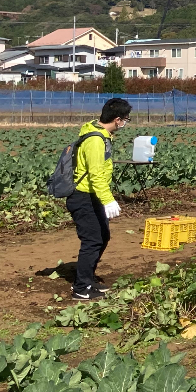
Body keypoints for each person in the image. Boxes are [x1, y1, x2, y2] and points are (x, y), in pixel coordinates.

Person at [69, 97, 131, 301]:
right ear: (117, 119)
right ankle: (80, 288)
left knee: (102, 237)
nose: (124, 124)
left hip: (93, 195)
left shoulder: (101, 135)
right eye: (125, 120)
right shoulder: (95, 140)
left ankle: (87, 280)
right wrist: (108, 200)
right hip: (84, 196)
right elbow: (95, 174)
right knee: (92, 240)